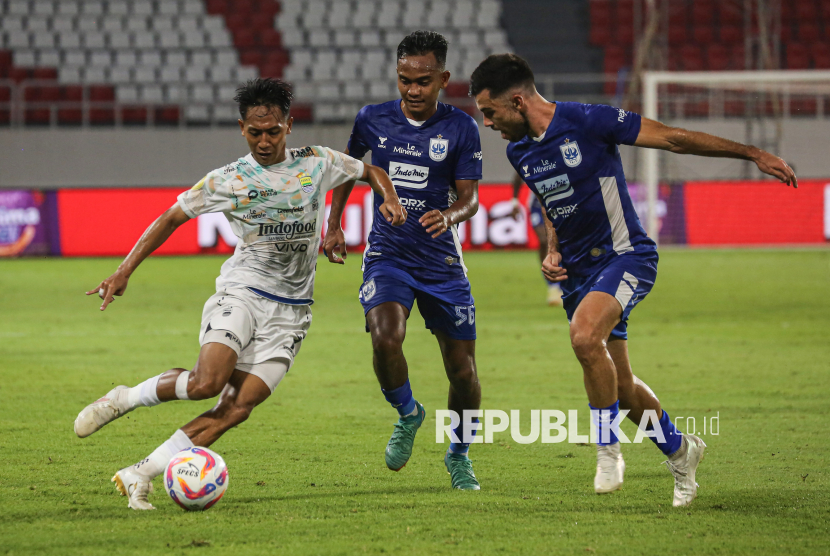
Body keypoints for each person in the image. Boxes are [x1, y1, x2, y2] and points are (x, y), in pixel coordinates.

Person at [470, 54, 797, 506]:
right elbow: (550, 199)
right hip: (579, 274)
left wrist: (752, 153)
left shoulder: (589, 120)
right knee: (621, 390)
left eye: (490, 111)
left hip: (627, 256)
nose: (487, 123)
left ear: (519, 101)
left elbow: (674, 139)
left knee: (584, 338)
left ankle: (607, 450)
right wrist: (552, 246)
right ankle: (682, 452)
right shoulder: (520, 151)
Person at [74, 78, 407, 510]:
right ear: (241, 128)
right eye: (255, 132)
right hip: (243, 291)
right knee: (206, 384)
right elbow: (171, 216)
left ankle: (141, 473)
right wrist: (124, 271)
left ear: (289, 125)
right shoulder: (229, 180)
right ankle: (125, 397)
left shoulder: (317, 162)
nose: (264, 141)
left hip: (292, 311)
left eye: (273, 131)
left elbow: (371, 171)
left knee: (236, 408)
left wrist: (388, 199)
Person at [323, 31, 484, 490]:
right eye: (404, 80)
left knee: (463, 372)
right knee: (385, 337)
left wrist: (450, 215)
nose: (413, 90)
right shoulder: (371, 119)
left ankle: (458, 454)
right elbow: (347, 171)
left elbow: (471, 200)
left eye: (423, 81)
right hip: (388, 253)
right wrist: (333, 224)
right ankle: (409, 412)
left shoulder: (461, 128)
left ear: (443, 79)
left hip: (442, 264)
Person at [509, 172, 563, 306]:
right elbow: (518, 175)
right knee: (545, 241)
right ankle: (553, 286)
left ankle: (564, 285)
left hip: (560, 203)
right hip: (537, 205)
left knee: (561, 243)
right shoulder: (532, 153)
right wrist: (515, 202)